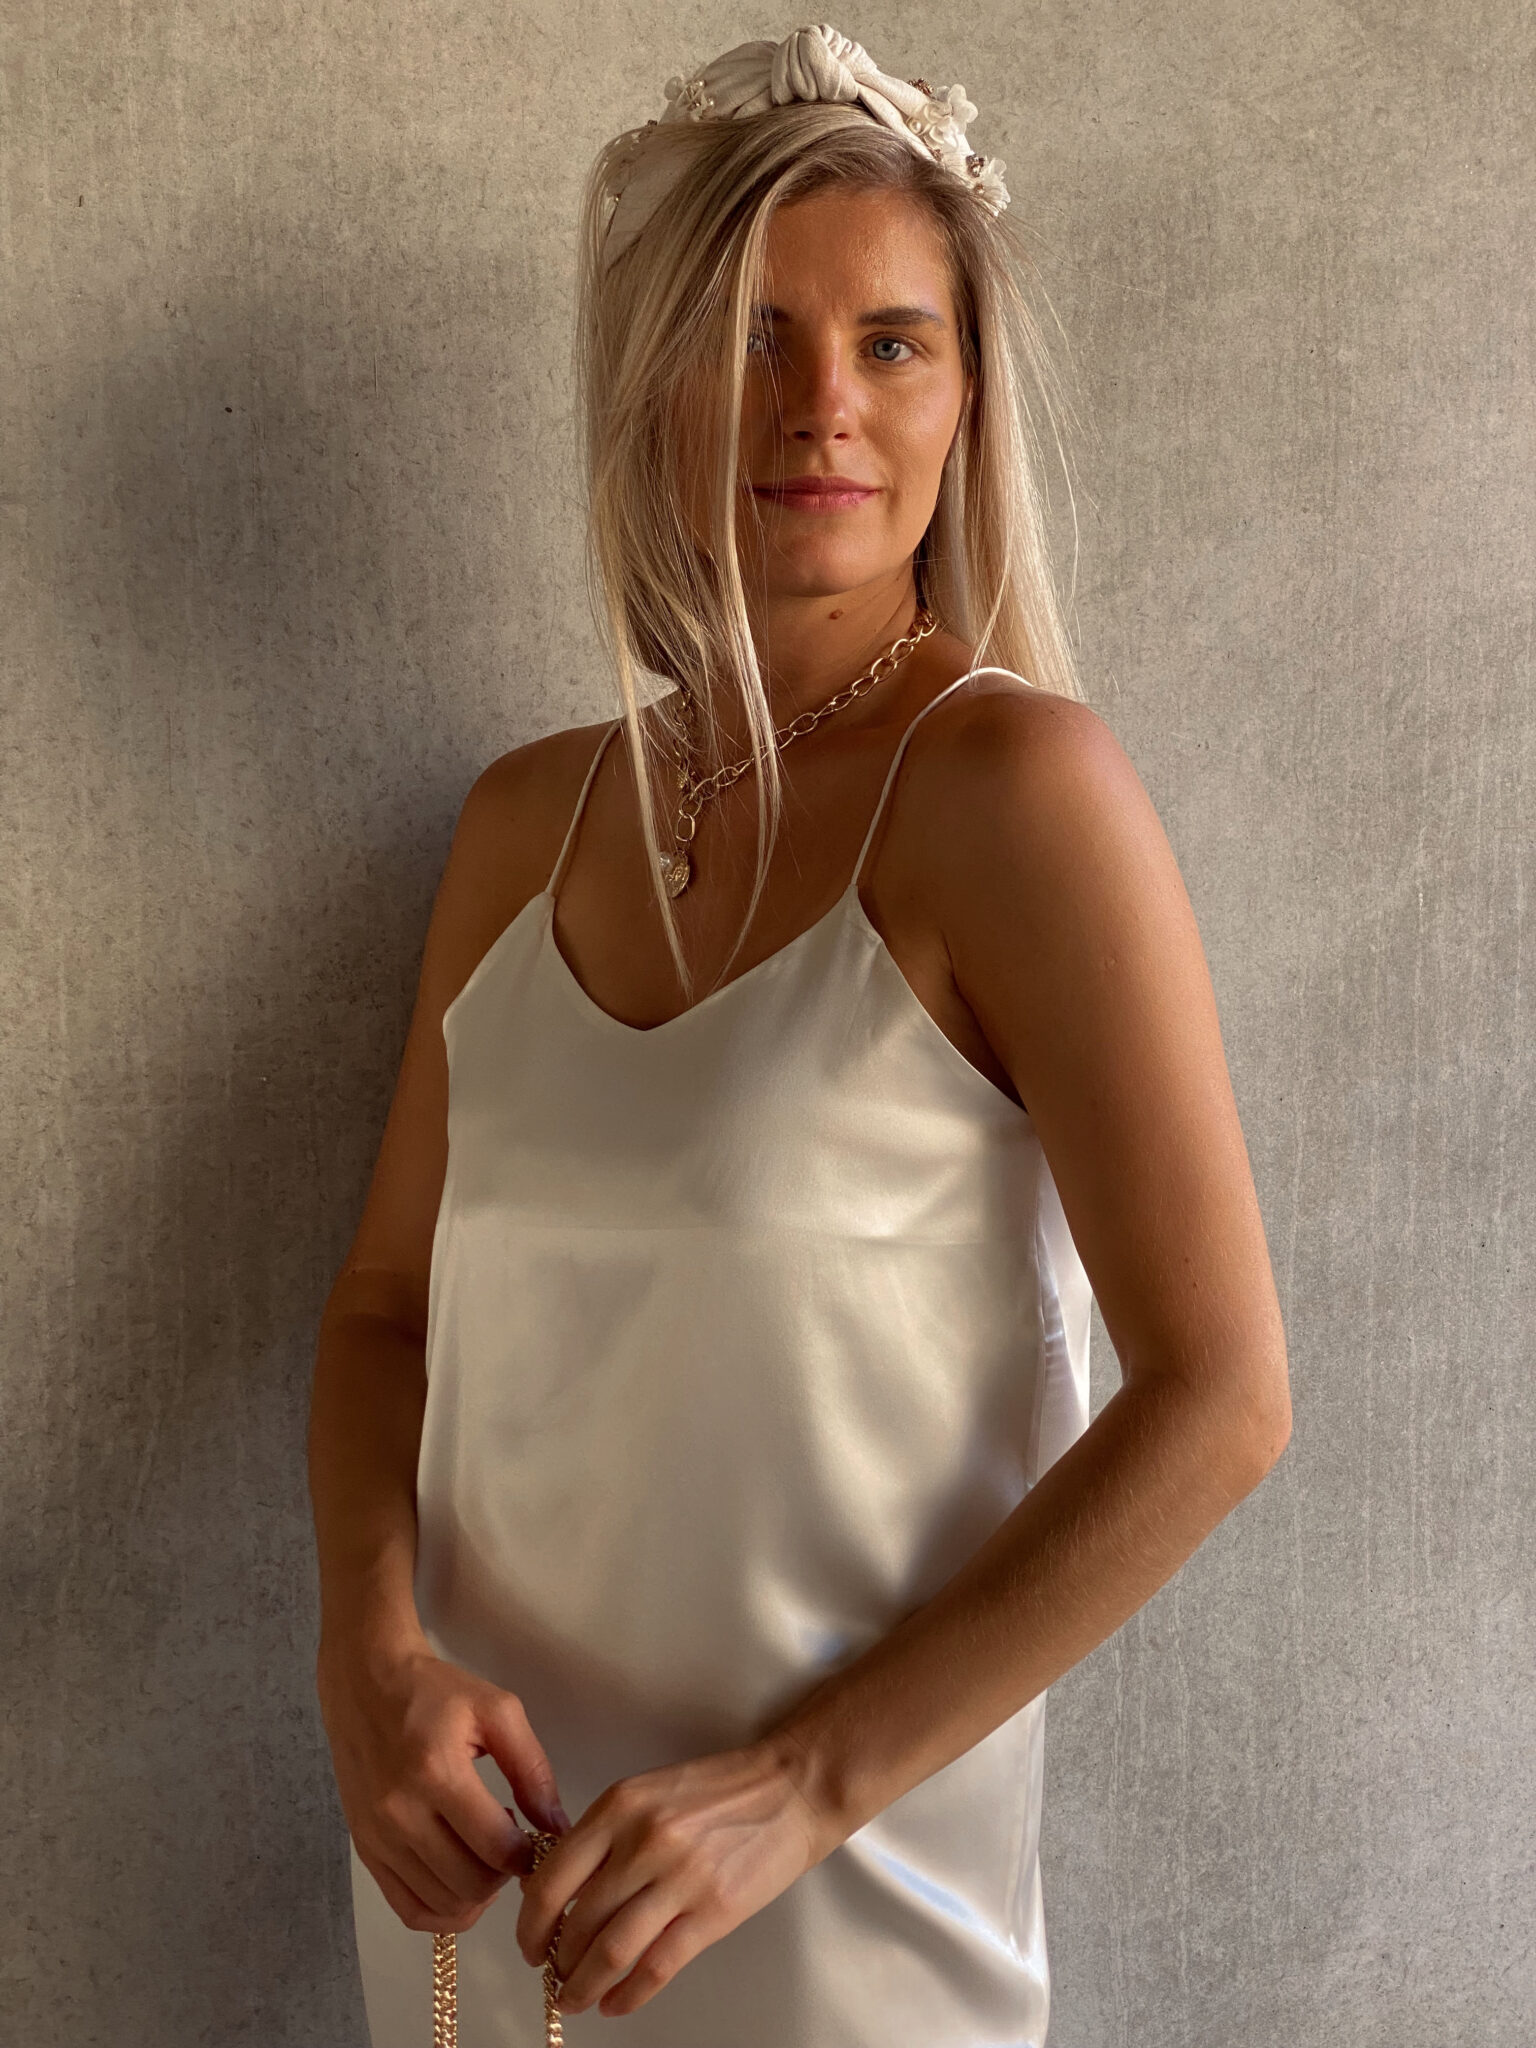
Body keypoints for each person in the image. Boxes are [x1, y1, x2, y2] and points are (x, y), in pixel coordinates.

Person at [307, 24, 1292, 2048]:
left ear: (964, 397)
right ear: (649, 381)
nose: (821, 405)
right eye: (753, 336)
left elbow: (1221, 1399)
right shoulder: (521, 823)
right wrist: (369, 1655)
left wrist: (801, 1786)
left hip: (844, 1910)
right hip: (477, 1893)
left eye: (890, 343)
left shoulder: (1019, 794)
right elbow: (384, 1314)